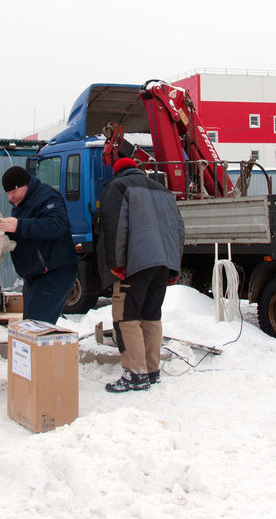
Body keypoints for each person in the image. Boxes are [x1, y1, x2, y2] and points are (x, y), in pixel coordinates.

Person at [98, 157, 185, 393]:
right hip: (163, 264)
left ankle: (135, 375)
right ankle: (151, 370)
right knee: (151, 317)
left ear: (118, 172)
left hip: (135, 264)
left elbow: (114, 225)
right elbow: (179, 228)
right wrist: (174, 265)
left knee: (126, 318)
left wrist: (117, 264)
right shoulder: (164, 191)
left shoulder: (118, 187)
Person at [0, 165, 78, 324]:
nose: (11, 198)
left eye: (13, 192)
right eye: (8, 194)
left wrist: (19, 226)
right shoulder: (21, 205)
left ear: (25, 185)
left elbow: (56, 224)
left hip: (54, 273)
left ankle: (49, 349)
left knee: (37, 328)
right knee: (30, 327)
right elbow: (26, 232)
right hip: (35, 275)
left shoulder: (47, 197)